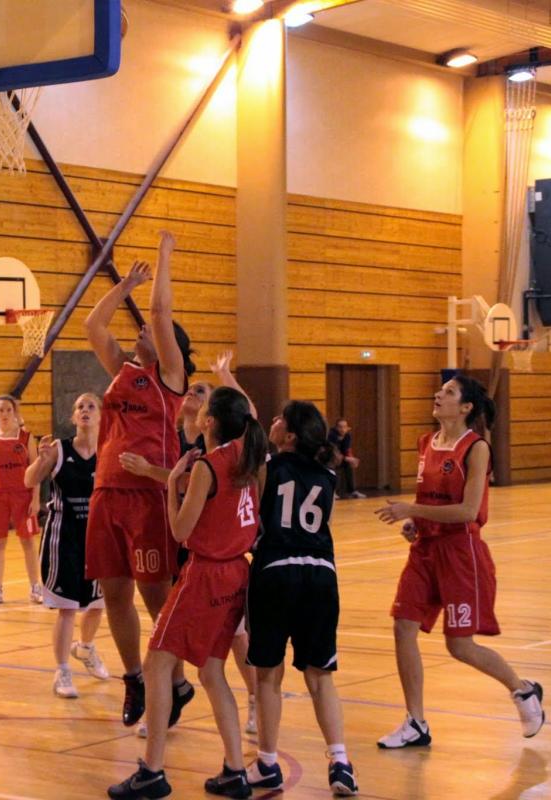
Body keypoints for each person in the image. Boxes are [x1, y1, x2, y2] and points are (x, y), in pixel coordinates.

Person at [109, 387, 265, 800]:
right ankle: (235, 770)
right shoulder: (247, 456)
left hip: (206, 574)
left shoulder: (207, 467)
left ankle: (152, 771)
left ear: (209, 421)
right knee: (212, 672)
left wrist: (173, 483)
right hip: (238, 572)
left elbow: (180, 530)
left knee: (156, 664)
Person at [375, 374, 545, 749]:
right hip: (424, 550)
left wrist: (412, 509)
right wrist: (415, 522)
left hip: (460, 552)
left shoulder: (476, 448)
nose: (439, 394)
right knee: (403, 626)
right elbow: (431, 501)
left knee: (460, 646)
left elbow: (468, 511)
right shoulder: (425, 442)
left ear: (466, 407)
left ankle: (522, 690)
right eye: (441, 390)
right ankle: (415, 722)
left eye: (449, 392)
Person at [84, 230, 195, 733]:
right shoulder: (123, 372)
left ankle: (177, 680)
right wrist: (124, 285)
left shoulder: (170, 378)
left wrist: (164, 255)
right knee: (113, 594)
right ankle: (134, 678)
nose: (143, 330)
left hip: (148, 498)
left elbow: (160, 312)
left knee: (156, 599)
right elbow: (93, 325)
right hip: (106, 493)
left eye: (150, 331)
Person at [246, 401, 358, 796]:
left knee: (268, 675)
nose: (273, 421)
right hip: (321, 575)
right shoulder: (328, 475)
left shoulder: (267, 467)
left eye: (279, 418)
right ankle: (340, 762)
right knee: (320, 676)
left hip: (276, 571)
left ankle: (267, 763)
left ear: (290, 436)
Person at [23, 393, 110, 698]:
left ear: (101, 416)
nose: (85, 410)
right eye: (79, 407)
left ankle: (84, 648)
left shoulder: (108, 450)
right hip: (64, 536)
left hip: (98, 536)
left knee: (98, 603)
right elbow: (29, 480)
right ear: (73, 417)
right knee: (68, 607)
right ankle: (62, 671)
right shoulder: (59, 449)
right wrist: (41, 460)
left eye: (91, 406)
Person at [0, 394, 41, 605]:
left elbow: (36, 469)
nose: (4, 414)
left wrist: (36, 499)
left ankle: (35, 587)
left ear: (15, 412)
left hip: (23, 495)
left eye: (8, 410)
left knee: (28, 541)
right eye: (1, 410)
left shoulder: (26, 437)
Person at [328, 418, 366, 500]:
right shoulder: (331, 436)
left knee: (349, 465)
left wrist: (352, 459)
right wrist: (347, 458)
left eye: (344, 427)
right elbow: (333, 452)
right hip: (329, 458)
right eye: (340, 427)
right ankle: (332, 491)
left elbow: (347, 450)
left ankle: (352, 491)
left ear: (348, 428)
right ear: (336, 428)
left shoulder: (347, 436)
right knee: (331, 465)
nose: (342, 429)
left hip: (341, 458)